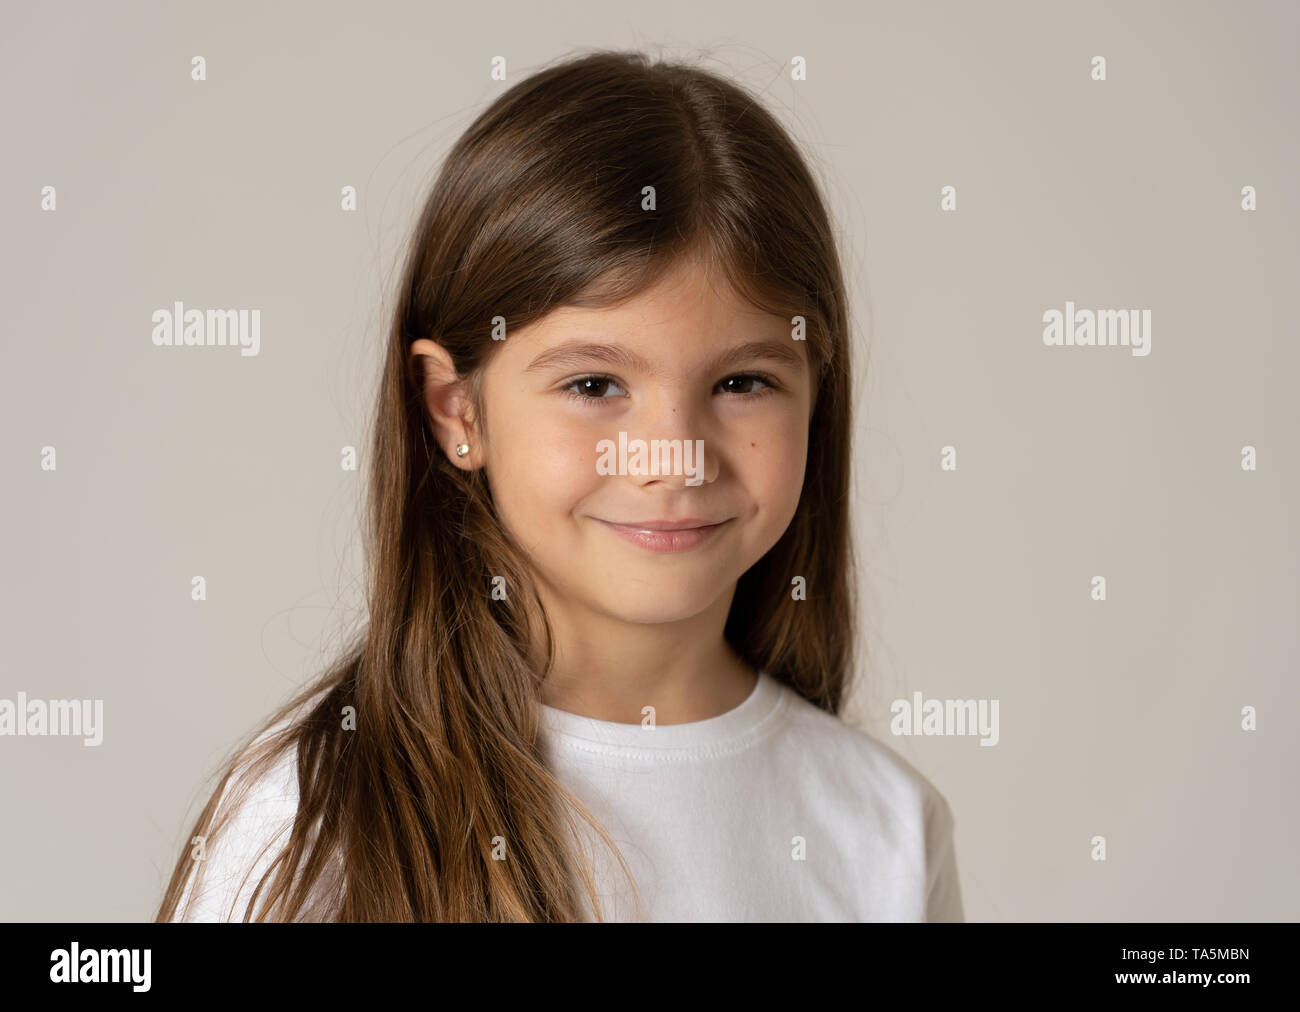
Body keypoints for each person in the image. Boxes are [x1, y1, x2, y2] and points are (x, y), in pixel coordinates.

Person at [156, 48, 964, 923]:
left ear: (816, 396)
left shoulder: (886, 829)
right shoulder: (315, 820)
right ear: (456, 410)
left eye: (742, 384)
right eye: (594, 387)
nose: (672, 458)